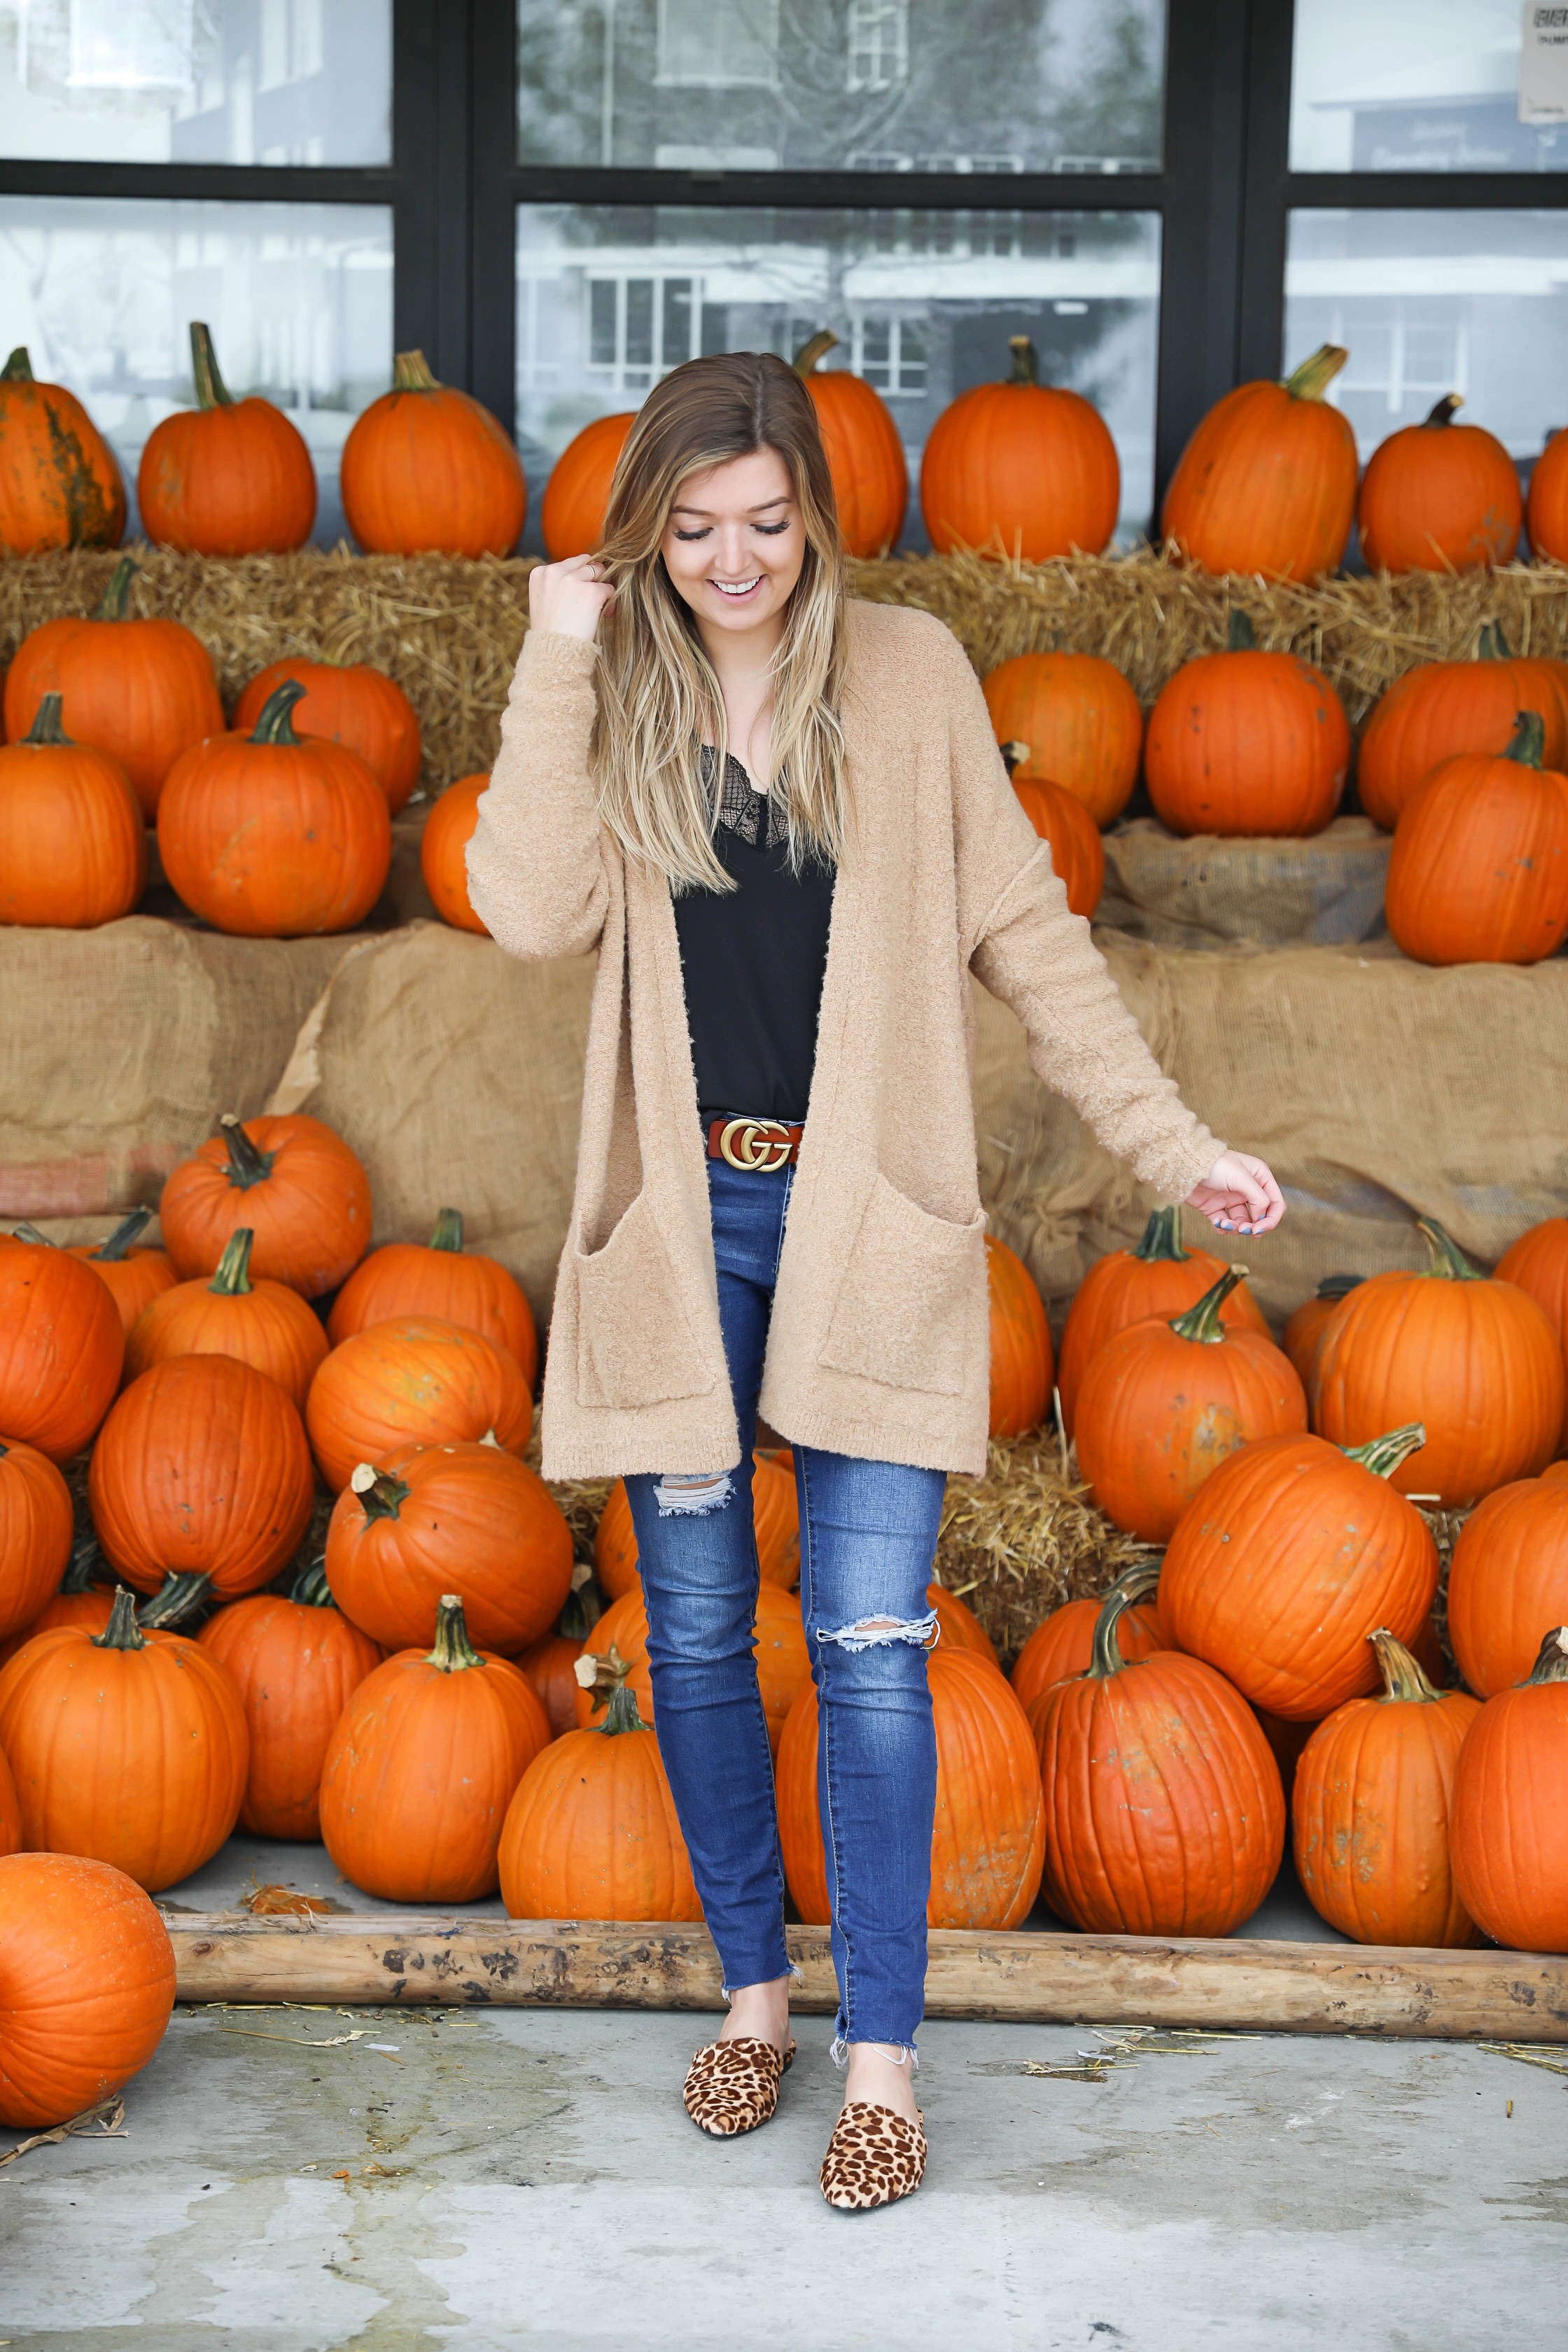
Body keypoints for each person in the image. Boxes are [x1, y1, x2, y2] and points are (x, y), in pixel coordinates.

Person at [467, 351, 1284, 2213]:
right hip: (687, 1233)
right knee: (687, 1636)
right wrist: (554, 656)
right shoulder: (620, 692)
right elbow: (524, 912)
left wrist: (1181, 1149)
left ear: (816, 515)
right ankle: (754, 1995)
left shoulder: (910, 679)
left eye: (767, 522)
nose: (734, 559)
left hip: (866, 1230)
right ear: (644, 532)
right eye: (693, 528)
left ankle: (885, 2062)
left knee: (872, 1653)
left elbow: (1030, 937)